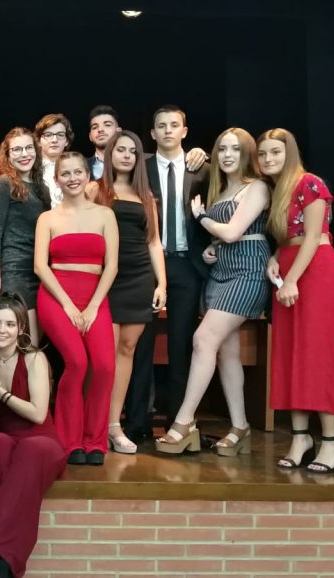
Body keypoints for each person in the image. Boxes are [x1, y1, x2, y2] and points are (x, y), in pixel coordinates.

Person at [156, 127, 271, 457]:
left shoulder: (257, 186)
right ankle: (240, 426)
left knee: (203, 339)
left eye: (235, 149)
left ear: (247, 153)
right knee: (227, 351)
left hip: (247, 272)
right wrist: (213, 248)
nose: (228, 155)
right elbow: (224, 238)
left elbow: (234, 232)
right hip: (220, 272)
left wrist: (202, 217)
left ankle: (183, 423)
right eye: (222, 149)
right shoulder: (221, 188)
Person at [259, 128, 334, 473]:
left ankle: (331, 440)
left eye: (275, 152)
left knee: (316, 354)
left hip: (315, 270)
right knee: (289, 353)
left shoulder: (310, 183)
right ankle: (300, 437)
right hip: (289, 267)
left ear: (289, 152)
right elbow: (289, 238)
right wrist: (275, 258)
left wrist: (292, 278)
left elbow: (312, 236)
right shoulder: (276, 189)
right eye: (262, 154)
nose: (268, 159)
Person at [126, 105, 211, 442]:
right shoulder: (140, 168)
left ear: (184, 131)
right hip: (147, 265)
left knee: (181, 346)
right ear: (152, 133)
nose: (167, 131)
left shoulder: (200, 168)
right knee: (141, 346)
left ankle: (179, 423)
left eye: (174, 125)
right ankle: (137, 422)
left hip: (188, 265)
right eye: (161, 126)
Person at [0, 294, 65, 578]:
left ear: (21, 328)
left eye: (10, 324)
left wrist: (0, 392)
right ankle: (6, 563)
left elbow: (38, 414)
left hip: (42, 441)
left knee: (29, 450)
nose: (2, 330)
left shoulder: (34, 358)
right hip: (8, 438)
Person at [34, 152, 118, 465]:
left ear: (87, 175)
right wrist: (68, 305)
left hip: (95, 296)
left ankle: (95, 441)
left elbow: (112, 266)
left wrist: (94, 306)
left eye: (77, 172)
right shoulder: (47, 218)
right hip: (56, 296)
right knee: (78, 362)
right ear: (57, 179)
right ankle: (70, 441)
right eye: (65, 173)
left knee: (105, 366)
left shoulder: (105, 215)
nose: (72, 178)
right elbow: (41, 266)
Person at [87, 131, 166, 455]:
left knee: (128, 349)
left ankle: (113, 427)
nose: (126, 156)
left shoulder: (146, 196)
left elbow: (154, 242)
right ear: (110, 154)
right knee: (103, 356)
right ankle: (93, 425)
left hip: (139, 278)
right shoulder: (95, 190)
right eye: (120, 150)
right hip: (106, 279)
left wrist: (161, 284)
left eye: (132, 152)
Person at [0, 127, 50, 344]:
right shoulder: (3, 183)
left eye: (29, 148)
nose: (24, 154)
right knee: (25, 341)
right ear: (7, 154)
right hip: (14, 271)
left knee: (36, 342)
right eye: (17, 150)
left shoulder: (42, 189)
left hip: (39, 271)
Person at [33, 113, 74, 208]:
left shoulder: (75, 168)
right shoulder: (30, 169)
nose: (54, 140)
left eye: (60, 135)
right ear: (38, 141)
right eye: (48, 135)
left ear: (67, 141)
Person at [87, 105, 121, 180]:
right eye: (95, 127)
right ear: (90, 136)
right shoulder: (81, 166)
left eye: (107, 125)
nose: (100, 129)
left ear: (118, 131)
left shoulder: (133, 163)